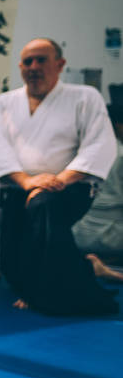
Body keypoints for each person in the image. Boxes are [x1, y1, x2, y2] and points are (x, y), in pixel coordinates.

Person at [0, 37, 118, 315]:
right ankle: (88, 266)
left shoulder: (85, 97)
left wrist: (57, 182)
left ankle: (47, 295)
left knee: (43, 208)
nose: (33, 66)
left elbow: (99, 145)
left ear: (60, 64)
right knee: (10, 266)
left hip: (70, 186)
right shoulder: (4, 103)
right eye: (27, 61)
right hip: (19, 186)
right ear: (21, 67)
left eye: (41, 60)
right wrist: (27, 181)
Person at [73, 102, 123, 280]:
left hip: (76, 235)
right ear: (118, 126)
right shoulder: (119, 154)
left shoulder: (77, 152)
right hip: (111, 238)